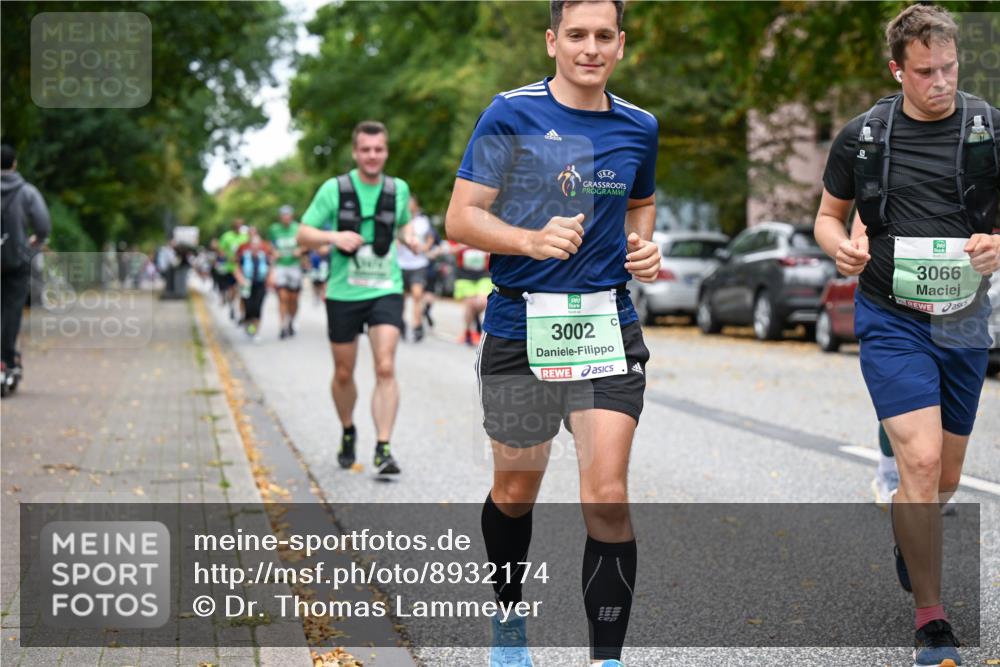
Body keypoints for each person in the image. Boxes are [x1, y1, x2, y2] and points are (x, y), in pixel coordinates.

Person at [444, 2, 661, 665]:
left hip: (606, 326)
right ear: (552, 41)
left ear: (621, 45)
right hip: (520, 321)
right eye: (576, 35)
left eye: (603, 36)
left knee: (608, 495)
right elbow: (461, 216)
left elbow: (641, 201)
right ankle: (509, 616)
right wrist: (529, 239)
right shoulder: (509, 114)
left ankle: (607, 658)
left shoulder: (639, 126)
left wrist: (641, 247)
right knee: (515, 491)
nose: (589, 48)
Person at [814, 6, 999, 666]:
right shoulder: (864, 134)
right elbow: (828, 218)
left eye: (950, 68)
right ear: (898, 70)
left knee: (943, 475)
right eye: (925, 72)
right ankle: (932, 621)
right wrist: (840, 249)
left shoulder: (986, 130)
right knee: (918, 464)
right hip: (890, 315)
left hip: (964, 319)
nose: (941, 82)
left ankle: (907, 522)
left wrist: (997, 245)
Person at [297, 120, 418, 477]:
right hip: (343, 291)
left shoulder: (398, 189)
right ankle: (348, 429)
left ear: (386, 151)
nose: (372, 156)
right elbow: (304, 234)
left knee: (385, 366)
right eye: (365, 150)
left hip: (385, 288)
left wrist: (409, 236)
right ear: (355, 152)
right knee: (344, 371)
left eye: (378, 149)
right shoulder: (334, 189)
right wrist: (334, 238)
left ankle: (383, 448)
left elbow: (402, 224)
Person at [1, 144, 51, 394]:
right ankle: (7, 360)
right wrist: (33, 242)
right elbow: (43, 225)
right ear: (15, 164)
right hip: (16, 261)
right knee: (11, 310)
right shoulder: (26, 192)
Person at [397, 196, 435, 341]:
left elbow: (430, 237)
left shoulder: (422, 221)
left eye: (411, 203)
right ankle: (400, 322)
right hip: (401, 263)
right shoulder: (400, 221)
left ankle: (417, 325)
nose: (409, 206)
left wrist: (425, 247)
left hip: (418, 264)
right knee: (401, 297)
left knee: (417, 295)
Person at [269, 204, 304, 339]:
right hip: (281, 266)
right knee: (282, 297)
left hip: (294, 266)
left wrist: (300, 250)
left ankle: (291, 320)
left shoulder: (298, 228)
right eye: (283, 215)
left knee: (293, 298)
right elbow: (271, 244)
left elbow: (306, 244)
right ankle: (282, 325)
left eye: (288, 215)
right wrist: (274, 251)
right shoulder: (274, 229)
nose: (286, 218)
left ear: (291, 216)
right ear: (280, 217)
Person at [233, 227, 274, 341]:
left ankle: (256, 331)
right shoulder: (243, 253)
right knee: (249, 307)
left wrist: (270, 278)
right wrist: (241, 279)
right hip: (247, 284)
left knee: (258, 307)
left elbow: (270, 266)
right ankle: (247, 323)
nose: (255, 246)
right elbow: (236, 267)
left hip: (260, 284)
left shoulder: (264, 254)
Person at [450, 241, 492, 346]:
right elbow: (452, 251)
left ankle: (475, 321)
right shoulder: (461, 233)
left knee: (482, 302)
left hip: (483, 273)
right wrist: (466, 245)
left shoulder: (486, 232)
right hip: (465, 274)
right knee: (469, 304)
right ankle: (468, 331)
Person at [218, 218, 249, 322]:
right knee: (232, 289)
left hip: (241, 268)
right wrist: (228, 257)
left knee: (242, 290)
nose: (238, 227)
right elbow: (220, 250)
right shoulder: (227, 236)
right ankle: (232, 305)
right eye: (237, 225)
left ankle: (242, 312)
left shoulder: (245, 237)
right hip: (230, 268)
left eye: (240, 225)